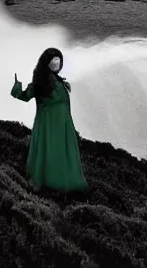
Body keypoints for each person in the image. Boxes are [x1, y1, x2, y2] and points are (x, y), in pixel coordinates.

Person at [11, 47, 88, 194]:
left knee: (61, 153)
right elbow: (25, 96)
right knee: (50, 151)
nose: (57, 63)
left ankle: (63, 185)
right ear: (47, 62)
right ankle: (50, 185)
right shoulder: (40, 83)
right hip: (47, 125)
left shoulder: (59, 82)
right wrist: (17, 88)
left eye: (59, 60)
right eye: (54, 60)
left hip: (63, 125)